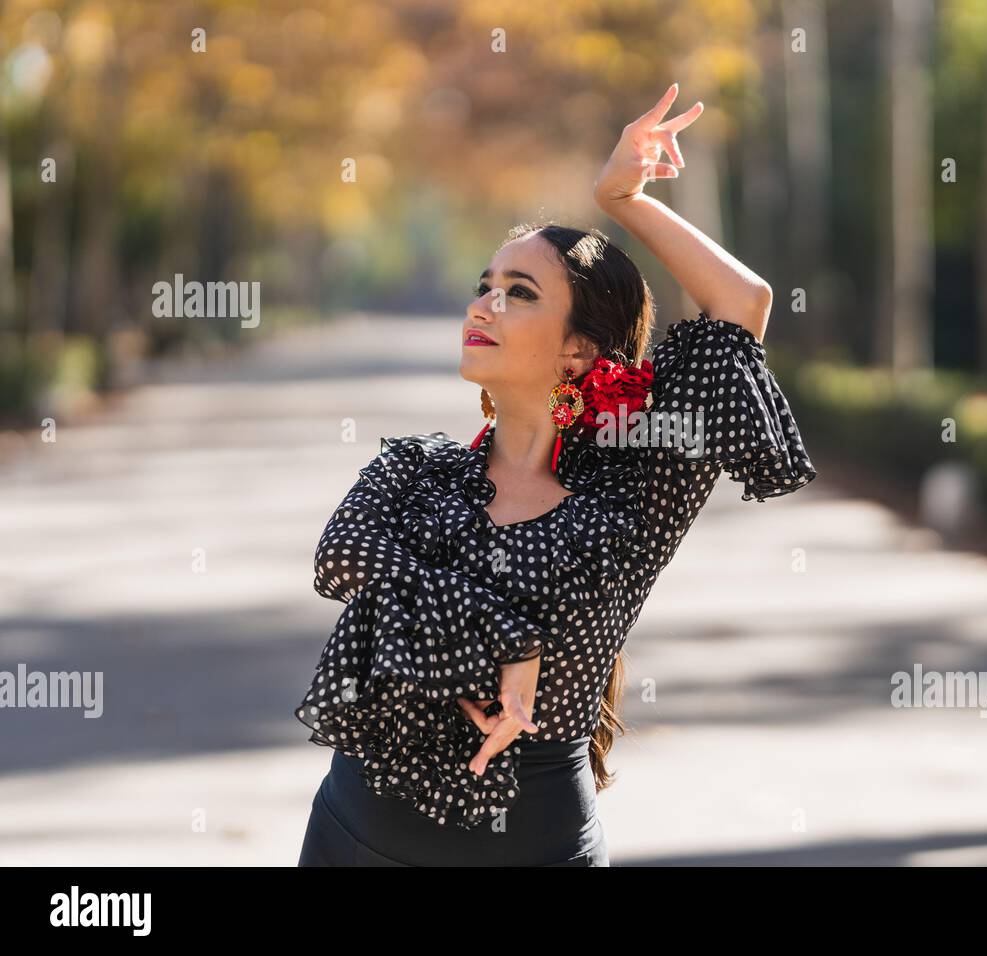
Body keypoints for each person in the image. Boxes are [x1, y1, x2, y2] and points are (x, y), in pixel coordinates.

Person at [294, 83, 818, 866]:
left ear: (579, 351)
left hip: (538, 843)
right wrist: (508, 638)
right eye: (484, 287)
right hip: (356, 834)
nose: (485, 306)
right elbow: (341, 562)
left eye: (520, 293)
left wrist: (620, 197)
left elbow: (743, 302)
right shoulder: (415, 474)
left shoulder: (633, 497)